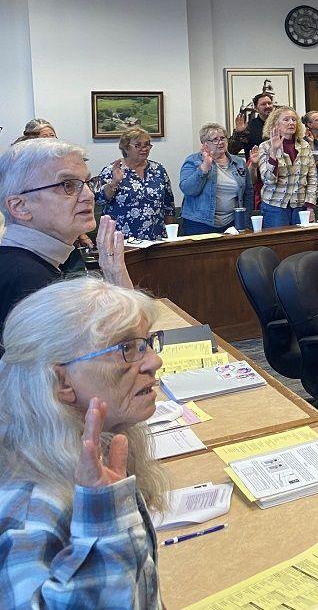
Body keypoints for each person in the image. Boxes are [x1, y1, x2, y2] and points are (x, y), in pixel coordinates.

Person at [0, 277, 169, 606]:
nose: (153, 362)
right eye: (126, 349)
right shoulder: (29, 507)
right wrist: (107, 530)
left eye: (146, 344)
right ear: (62, 381)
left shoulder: (94, 452)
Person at [0, 140, 132, 333]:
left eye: (87, 183)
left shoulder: (26, 262)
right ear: (20, 206)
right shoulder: (28, 281)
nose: (89, 195)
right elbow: (125, 350)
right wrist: (116, 274)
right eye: (67, 185)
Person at [93, 127, 174, 241]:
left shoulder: (158, 170)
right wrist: (114, 182)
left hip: (156, 238)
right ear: (126, 148)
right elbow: (99, 199)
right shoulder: (112, 170)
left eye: (147, 145)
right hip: (122, 240)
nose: (144, 149)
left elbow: (168, 205)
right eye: (138, 145)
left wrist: (170, 237)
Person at [178, 123, 255, 235]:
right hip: (199, 223)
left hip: (232, 222)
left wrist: (245, 220)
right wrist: (204, 168)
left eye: (223, 138)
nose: (220, 142)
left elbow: (248, 193)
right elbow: (188, 190)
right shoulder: (193, 161)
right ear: (205, 144)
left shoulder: (239, 163)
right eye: (215, 139)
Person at [257, 106, 318, 228]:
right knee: (279, 245)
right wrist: (273, 152)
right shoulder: (265, 146)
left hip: (300, 205)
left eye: (294, 120)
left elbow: (312, 179)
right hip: (275, 206)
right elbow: (268, 179)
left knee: (302, 243)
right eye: (286, 120)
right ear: (276, 124)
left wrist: (310, 207)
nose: (291, 123)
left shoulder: (305, 146)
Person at [229, 92, 273, 158]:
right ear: (255, 108)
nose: (267, 106)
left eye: (269, 103)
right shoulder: (249, 127)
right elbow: (231, 151)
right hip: (255, 167)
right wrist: (239, 133)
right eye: (263, 104)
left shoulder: (280, 124)